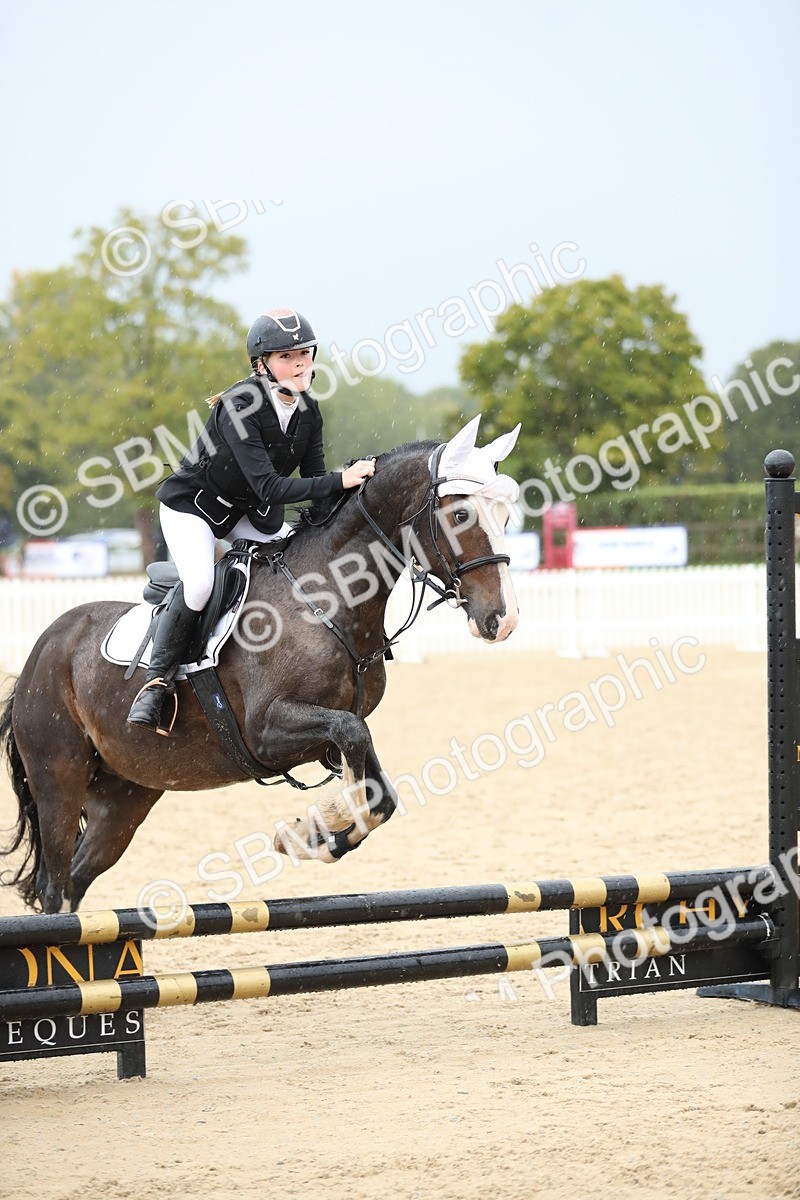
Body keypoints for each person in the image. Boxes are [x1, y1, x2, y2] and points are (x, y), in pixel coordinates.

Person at [127, 307, 375, 734]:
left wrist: (356, 494)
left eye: (305, 354)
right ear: (261, 365)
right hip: (194, 509)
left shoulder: (308, 413)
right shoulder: (240, 405)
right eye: (286, 356)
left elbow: (314, 482)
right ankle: (157, 681)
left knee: (299, 561)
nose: (299, 364)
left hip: (247, 515)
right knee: (201, 583)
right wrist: (341, 479)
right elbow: (271, 488)